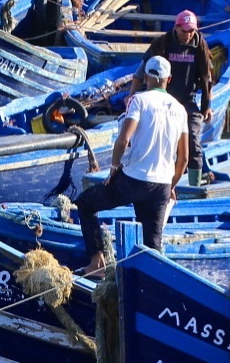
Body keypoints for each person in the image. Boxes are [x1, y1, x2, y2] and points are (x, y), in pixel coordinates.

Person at [76, 55, 188, 274]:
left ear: (145, 76)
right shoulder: (180, 109)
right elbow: (183, 159)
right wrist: (171, 185)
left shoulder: (139, 100)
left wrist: (114, 168)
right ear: (169, 79)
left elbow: (123, 140)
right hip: (161, 186)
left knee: (85, 204)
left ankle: (97, 263)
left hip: (133, 180)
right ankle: (149, 281)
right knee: (152, 245)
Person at [136, 9, 213, 182]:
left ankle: (194, 187)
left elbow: (207, 78)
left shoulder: (200, 46)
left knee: (193, 143)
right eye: (184, 30)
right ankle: (160, 181)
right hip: (163, 101)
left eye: (191, 30)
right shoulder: (162, 43)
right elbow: (140, 74)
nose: (188, 34)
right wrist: (132, 97)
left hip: (188, 102)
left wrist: (207, 106)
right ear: (176, 27)